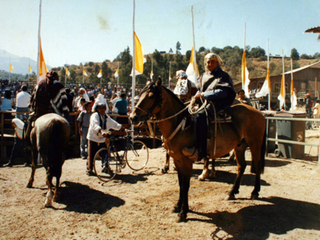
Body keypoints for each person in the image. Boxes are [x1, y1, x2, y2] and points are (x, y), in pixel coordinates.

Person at [182, 53, 236, 160]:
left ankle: (201, 151)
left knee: (200, 116)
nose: (209, 64)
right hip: (203, 102)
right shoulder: (204, 75)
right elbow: (200, 89)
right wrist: (195, 96)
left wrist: (204, 95)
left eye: (212, 62)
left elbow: (223, 92)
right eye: (207, 62)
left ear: (218, 63)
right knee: (185, 112)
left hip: (218, 103)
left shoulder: (224, 76)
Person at [25, 71, 69, 141]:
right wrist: (65, 112)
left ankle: (27, 140)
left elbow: (33, 99)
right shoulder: (60, 86)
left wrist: (33, 109)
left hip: (40, 112)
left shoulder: (39, 84)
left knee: (29, 122)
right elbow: (64, 101)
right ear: (56, 77)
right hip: (55, 112)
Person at [86, 103, 123, 176]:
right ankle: (89, 169)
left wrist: (122, 128)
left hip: (102, 139)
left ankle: (105, 167)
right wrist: (101, 131)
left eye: (103, 108)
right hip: (93, 138)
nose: (102, 110)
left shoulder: (106, 117)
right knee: (91, 155)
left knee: (105, 154)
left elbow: (114, 124)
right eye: (100, 108)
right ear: (97, 109)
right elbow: (95, 125)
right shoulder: (94, 116)